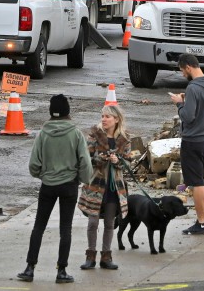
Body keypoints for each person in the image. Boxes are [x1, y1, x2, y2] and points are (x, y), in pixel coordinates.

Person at [17, 95, 93, 284]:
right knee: (65, 229)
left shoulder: (43, 133)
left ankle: (29, 268)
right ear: (68, 111)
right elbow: (85, 161)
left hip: (48, 186)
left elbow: (34, 164)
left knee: (39, 226)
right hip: (69, 186)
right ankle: (61, 271)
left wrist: (43, 175)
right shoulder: (75, 133)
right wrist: (83, 179)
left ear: (51, 112)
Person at [170, 54, 204, 236]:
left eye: (182, 70)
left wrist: (179, 104)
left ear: (188, 67)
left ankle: (201, 223)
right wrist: (187, 100)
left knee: (196, 183)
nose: (183, 74)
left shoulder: (192, 87)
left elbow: (188, 116)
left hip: (193, 140)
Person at [77, 105, 132, 271]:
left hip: (114, 187)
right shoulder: (94, 135)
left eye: (107, 116)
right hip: (96, 185)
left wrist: (118, 161)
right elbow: (86, 159)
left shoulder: (125, 139)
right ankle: (90, 256)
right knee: (93, 222)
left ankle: (106, 256)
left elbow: (129, 163)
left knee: (110, 223)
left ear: (116, 119)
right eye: (102, 116)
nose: (104, 119)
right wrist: (100, 158)